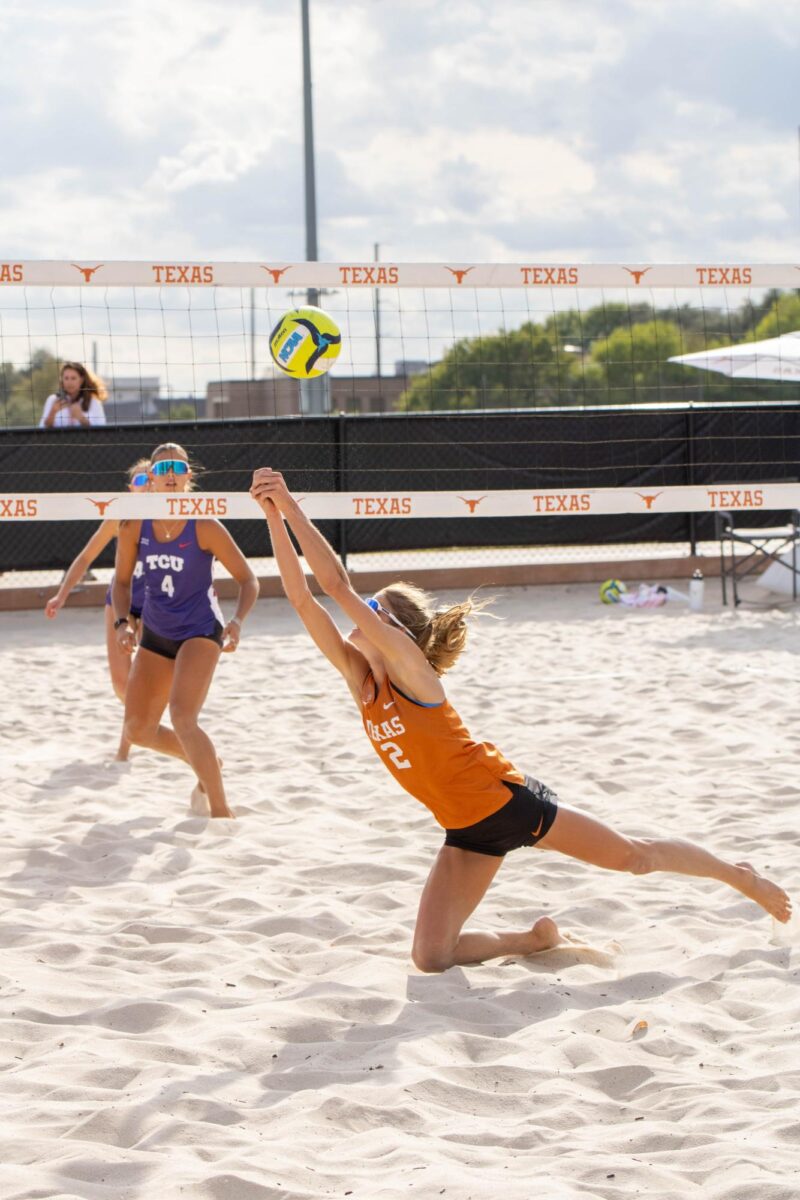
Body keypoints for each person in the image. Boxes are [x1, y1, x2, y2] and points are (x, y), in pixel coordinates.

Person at [249, 467, 792, 973]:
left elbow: (335, 586)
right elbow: (300, 596)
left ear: (394, 630)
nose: (356, 612)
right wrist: (270, 514)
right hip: (465, 829)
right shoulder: (361, 680)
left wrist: (291, 504)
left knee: (633, 858)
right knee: (430, 958)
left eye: (373, 607)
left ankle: (737, 876)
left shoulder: (413, 673)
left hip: (512, 804)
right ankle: (532, 942)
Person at [113, 442, 258, 818]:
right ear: (152, 480)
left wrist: (237, 622)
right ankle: (206, 760)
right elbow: (121, 582)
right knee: (137, 729)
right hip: (157, 634)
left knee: (182, 716)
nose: (171, 475)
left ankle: (222, 813)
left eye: (178, 468)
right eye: (163, 470)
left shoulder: (205, 523)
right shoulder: (134, 524)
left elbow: (248, 580)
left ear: (189, 476)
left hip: (199, 630)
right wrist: (121, 622)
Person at [45, 458, 152, 761]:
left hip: (156, 599)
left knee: (142, 677)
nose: (145, 486)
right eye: (139, 481)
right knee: (121, 684)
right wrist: (61, 594)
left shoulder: (167, 516)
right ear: (131, 487)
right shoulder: (119, 517)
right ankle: (133, 732)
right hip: (121, 598)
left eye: (149, 480)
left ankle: (125, 748)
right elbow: (86, 556)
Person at [40, 361, 108, 428]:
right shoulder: (53, 400)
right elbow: (42, 428)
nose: (69, 382)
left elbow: (102, 431)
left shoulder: (93, 402)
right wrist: (53, 412)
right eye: (66, 378)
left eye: (73, 378)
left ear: (81, 380)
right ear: (62, 380)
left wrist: (81, 418)